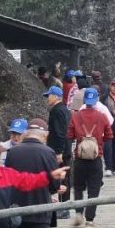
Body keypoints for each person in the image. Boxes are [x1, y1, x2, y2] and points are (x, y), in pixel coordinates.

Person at [66, 88, 114, 228]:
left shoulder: (76, 116)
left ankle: (79, 213)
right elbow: (110, 135)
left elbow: (69, 135)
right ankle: (90, 220)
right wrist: (98, 140)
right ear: (96, 100)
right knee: (94, 189)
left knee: (79, 187)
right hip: (95, 158)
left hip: (80, 158)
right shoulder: (102, 116)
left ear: (84, 100)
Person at [45, 85, 73, 219]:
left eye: (48, 96)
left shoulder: (57, 111)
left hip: (60, 150)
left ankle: (64, 207)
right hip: (65, 148)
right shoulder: (65, 109)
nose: (47, 99)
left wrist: (59, 152)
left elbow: (60, 133)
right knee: (64, 176)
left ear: (56, 97)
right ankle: (64, 205)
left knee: (62, 177)